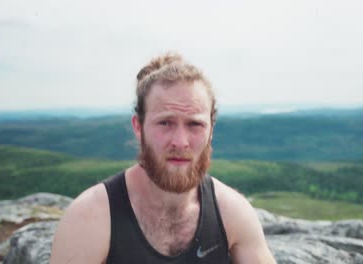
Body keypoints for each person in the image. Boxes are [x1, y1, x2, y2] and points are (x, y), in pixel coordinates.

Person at [50, 53, 276, 264]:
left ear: (211, 129)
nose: (180, 141)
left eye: (194, 124)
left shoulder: (232, 213)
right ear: (138, 127)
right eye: (165, 123)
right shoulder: (90, 217)